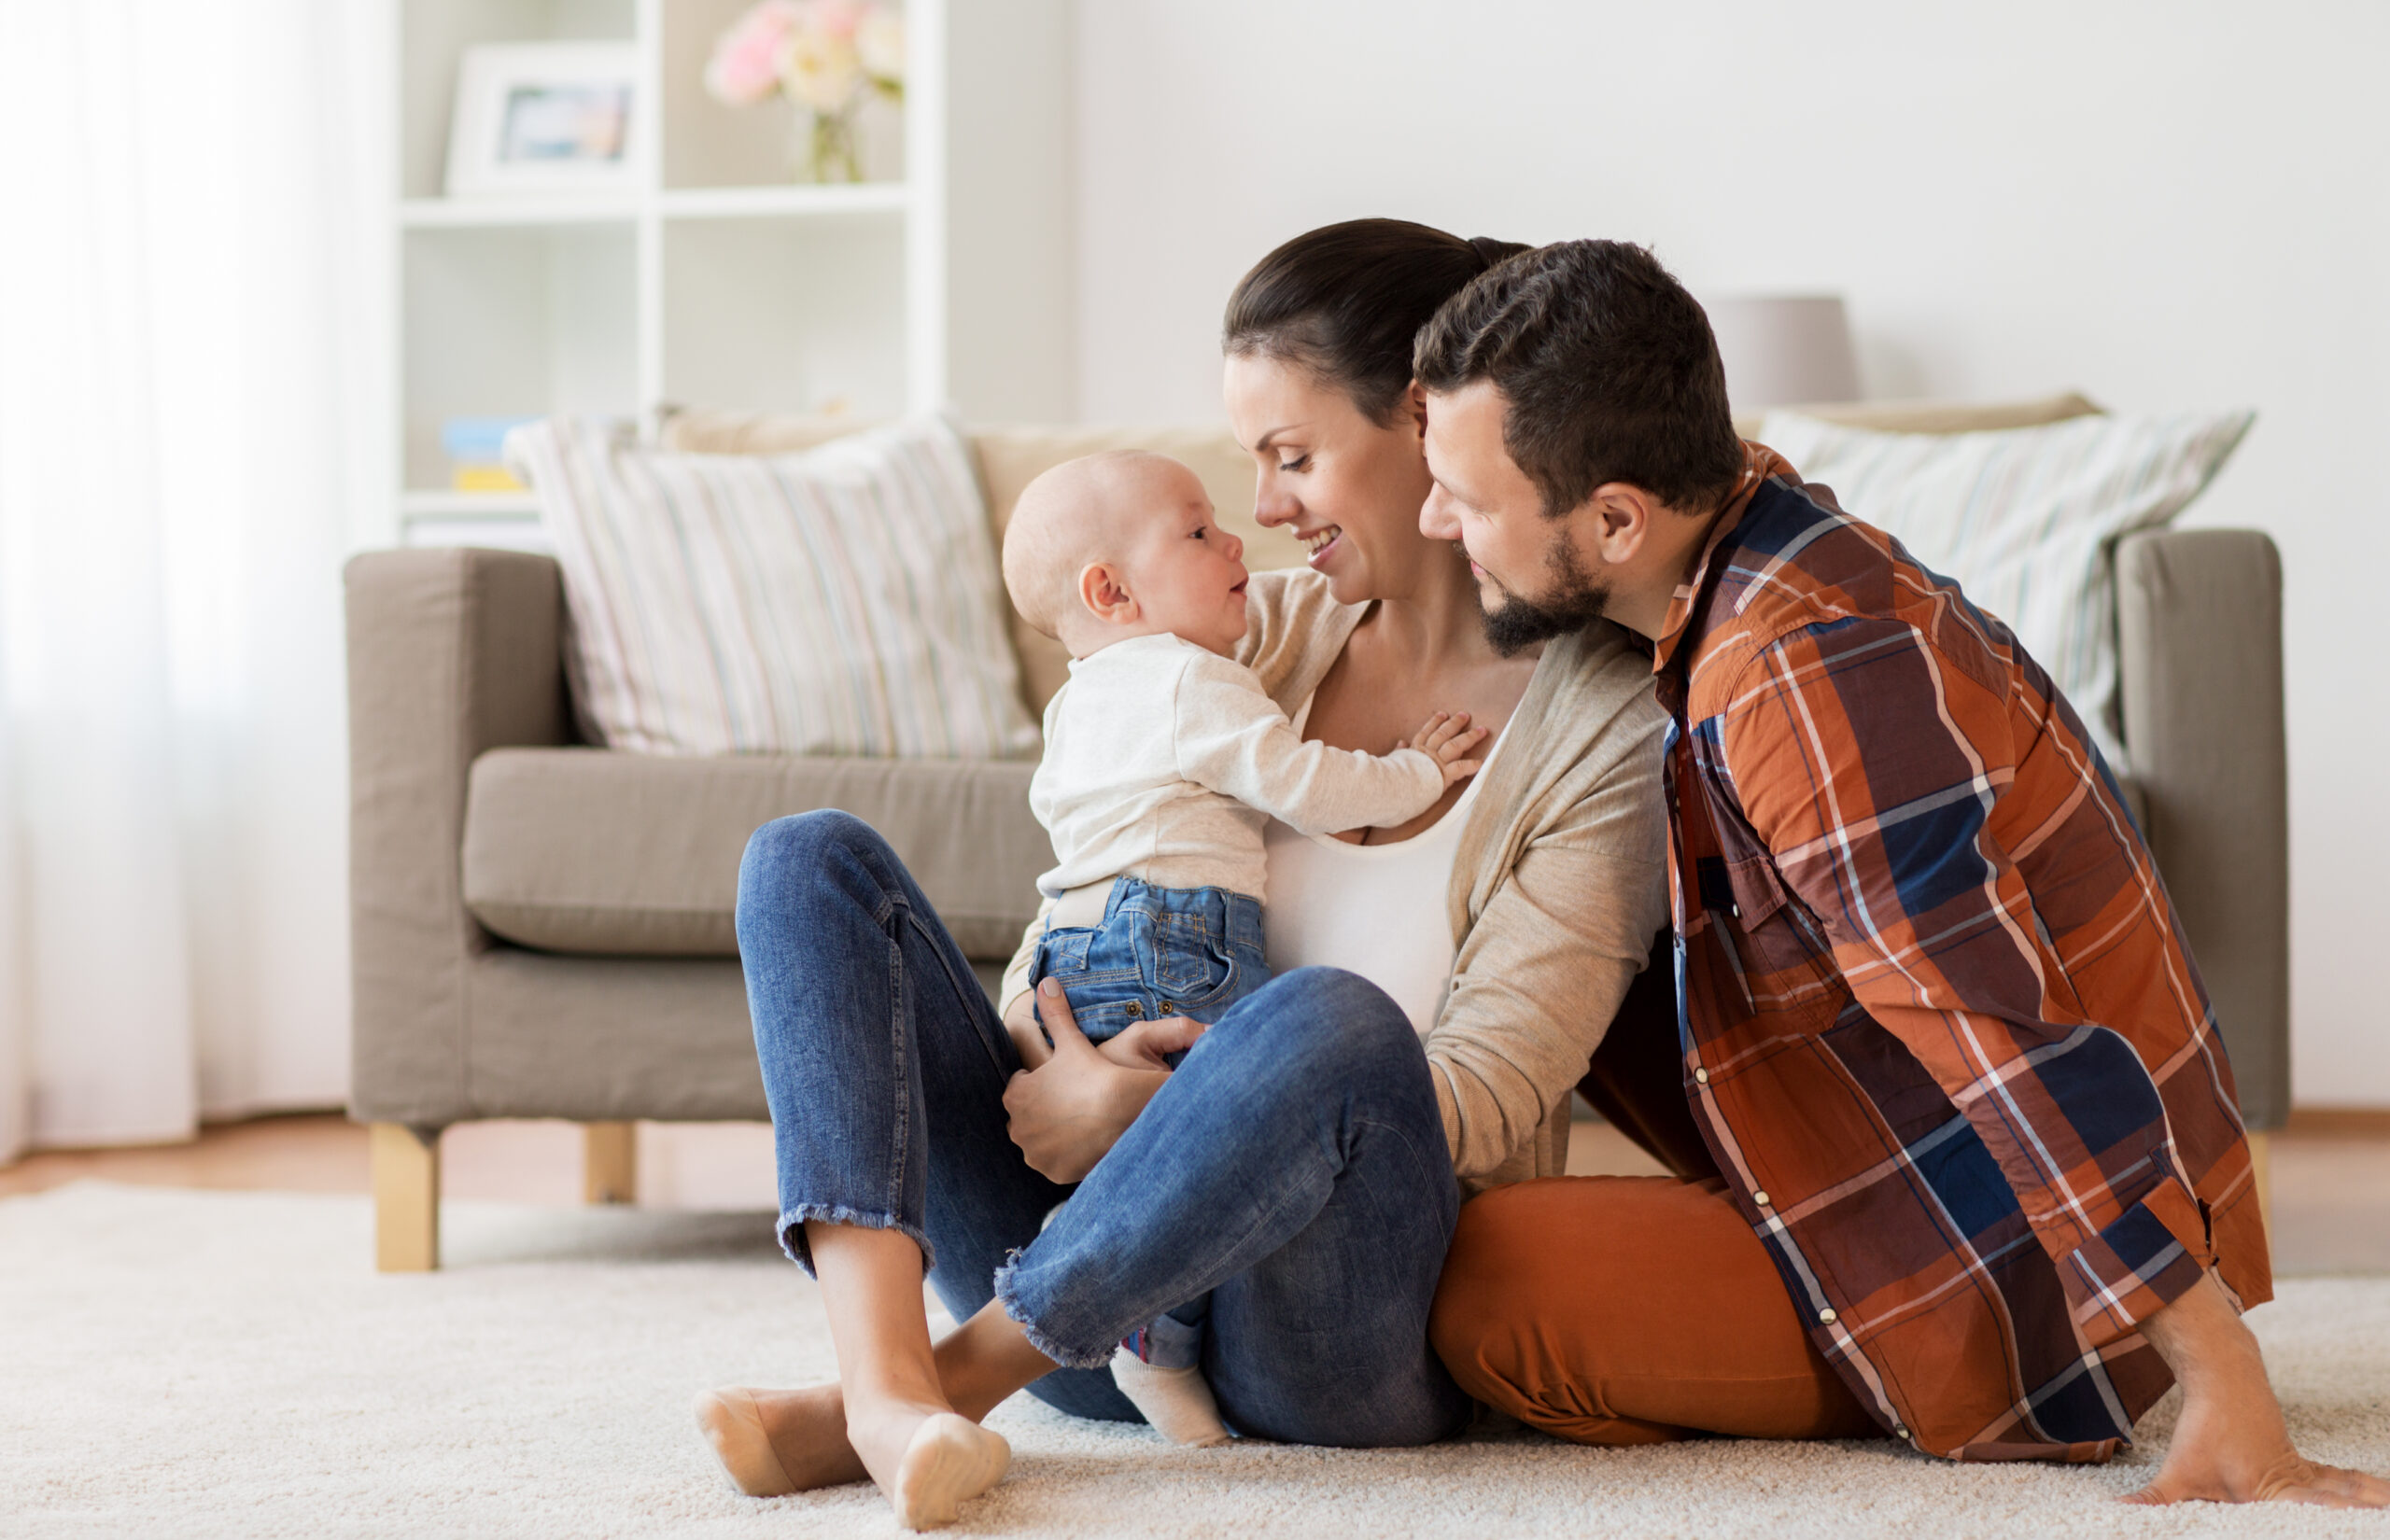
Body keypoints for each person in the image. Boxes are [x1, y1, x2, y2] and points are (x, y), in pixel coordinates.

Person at [691, 219, 1669, 1530]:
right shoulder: (1252, 623)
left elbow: (1487, 1094)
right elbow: (1103, 871)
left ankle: (960, 1374)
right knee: (807, 862)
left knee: (1328, 1019)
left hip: (1330, 1337)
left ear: (1432, 426)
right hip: (1111, 1319)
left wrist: (1154, 1113)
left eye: (1293, 456)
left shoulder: (1603, 726)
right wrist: (1060, 1049)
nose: (1263, 508)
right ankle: (882, 1393)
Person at [1416, 238, 2390, 1507]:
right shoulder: (1750, 545)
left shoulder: (1796, 673)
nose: (1437, 523)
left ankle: (1956, 1368)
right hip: (1897, 1153)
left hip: (2016, 1274)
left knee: (1482, 1285)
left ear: (1615, 517)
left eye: (1468, 499)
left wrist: (2224, 1379)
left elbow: (1994, 1028)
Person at [999, 448, 1485, 1441]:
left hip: (1077, 945)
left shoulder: (1075, 704)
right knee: (1226, 1131)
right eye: (1199, 531)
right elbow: (1305, 783)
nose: (1239, 540)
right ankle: (1141, 1325)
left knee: (1164, 1139)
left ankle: (1090, 1244)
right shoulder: (1187, 680)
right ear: (1111, 590)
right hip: (1177, 941)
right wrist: (1412, 775)